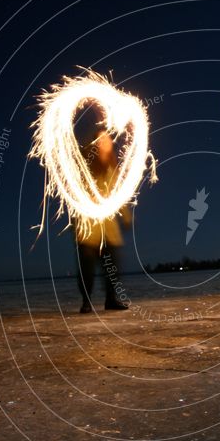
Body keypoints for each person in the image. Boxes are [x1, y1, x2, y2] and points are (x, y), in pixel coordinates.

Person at [75, 128, 130, 313]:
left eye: (106, 139)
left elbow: (118, 194)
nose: (104, 143)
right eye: (99, 140)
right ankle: (86, 301)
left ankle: (111, 299)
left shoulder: (113, 166)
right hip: (89, 227)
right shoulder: (86, 164)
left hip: (109, 228)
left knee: (112, 267)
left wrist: (127, 217)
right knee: (87, 269)